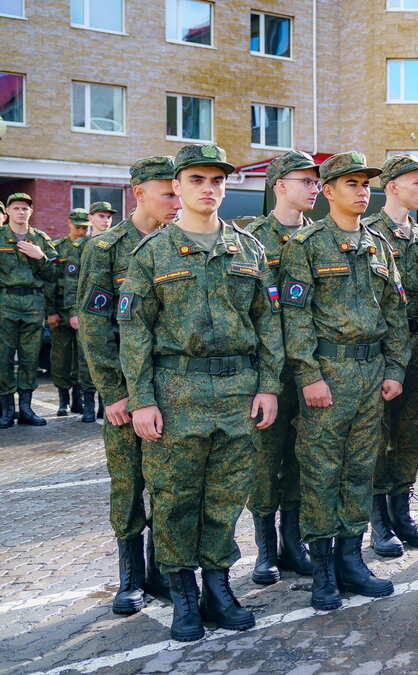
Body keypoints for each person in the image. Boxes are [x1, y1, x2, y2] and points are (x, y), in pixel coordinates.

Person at [118, 144, 282, 641]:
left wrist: (269, 386)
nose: (208, 189)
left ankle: (218, 586)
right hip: (176, 394)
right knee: (174, 500)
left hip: (237, 394)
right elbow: (134, 332)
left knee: (226, 497)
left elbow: (268, 323)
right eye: (197, 180)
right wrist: (142, 398)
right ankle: (183, 597)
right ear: (179, 186)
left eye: (217, 180)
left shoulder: (247, 250)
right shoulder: (151, 254)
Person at [280, 151, 410, 609]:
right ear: (328, 192)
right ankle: (322, 569)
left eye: (365, 183)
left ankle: (352, 560)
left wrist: (395, 369)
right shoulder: (307, 245)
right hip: (328, 378)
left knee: (359, 471)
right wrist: (309, 376)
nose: (361, 191)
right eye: (351, 183)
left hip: (372, 375)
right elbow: (294, 319)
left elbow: (396, 311)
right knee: (321, 473)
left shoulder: (379, 245)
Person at [78, 156, 179, 615]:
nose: (177, 201)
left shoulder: (180, 244)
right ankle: (131, 578)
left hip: (175, 390)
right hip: (126, 393)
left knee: (170, 482)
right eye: (168, 193)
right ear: (138, 192)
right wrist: (115, 393)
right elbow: (96, 329)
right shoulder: (106, 249)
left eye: (179, 191)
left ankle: (162, 570)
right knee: (129, 482)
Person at [360, 152, 418, 557]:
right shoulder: (368, 234)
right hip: (382, 351)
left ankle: (402, 514)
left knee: (410, 431)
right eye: (416, 182)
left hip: (417, 349)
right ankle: (378, 522)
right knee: (379, 434)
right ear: (392, 186)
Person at [243, 151, 321, 584]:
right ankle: (264, 548)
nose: (313, 189)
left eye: (316, 182)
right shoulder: (252, 239)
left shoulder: (322, 237)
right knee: (265, 459)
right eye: (305, 181)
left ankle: (294, 542)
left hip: (311, 370)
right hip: (269, 373)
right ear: (279, 185)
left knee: (300, 458)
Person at [0, 192, 56, 428]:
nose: (21, 212)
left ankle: (26, 408)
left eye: (25, 208)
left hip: (33, 304)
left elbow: (54, 274)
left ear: (31, 212)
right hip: (5, 303)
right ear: (8, 212)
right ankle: (6, 410)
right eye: (16, 208)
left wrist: (40, 257)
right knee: (3, 358)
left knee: (30, 358)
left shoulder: (41, 239)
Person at [49, 209, 92, 418]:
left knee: (81, 359)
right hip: (60, 313)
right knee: (61, 357)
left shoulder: (89, 246)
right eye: (78, 227)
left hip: (81, 312)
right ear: (68, 224)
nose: (81, 231)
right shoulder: (57, 248)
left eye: (85, 227)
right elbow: (50, 282)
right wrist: (50, 312)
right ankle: (63, 401)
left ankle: (78, 400)